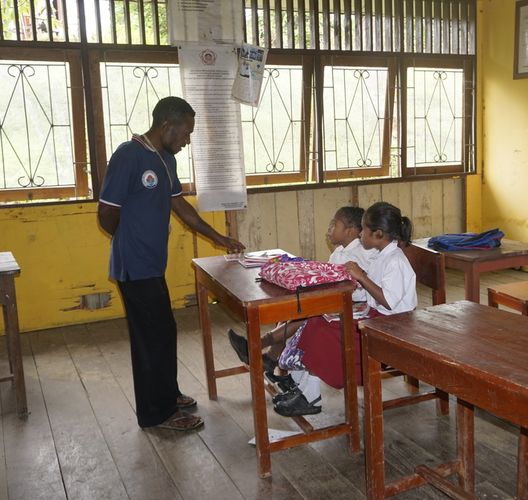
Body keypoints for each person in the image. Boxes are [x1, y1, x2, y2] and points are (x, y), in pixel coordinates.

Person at [97, 96, 245, 432]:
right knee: (151, 338)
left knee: (163, 331)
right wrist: (129, 239)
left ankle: (167, 393)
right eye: (185, 133)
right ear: (167, 125)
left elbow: (179, 205)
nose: (187, 140)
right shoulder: (128, 155)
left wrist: (217, 237)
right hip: (134, 266)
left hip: (151, 264)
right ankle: (157, 414)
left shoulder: (165, 158)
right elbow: (106, 213)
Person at [272, 201, 417, 417]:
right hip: (376, 317)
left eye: (364, 231)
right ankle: (301, 388)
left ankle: (310, 397)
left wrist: (361, 276)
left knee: (324, 333)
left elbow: (388, 301)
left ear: (378, 234)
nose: (360, 236)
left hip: (394, 326)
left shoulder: (395, 261)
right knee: (316, 321)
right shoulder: (381, 255)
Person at [228, 206, 379, 398]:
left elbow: (360, 286)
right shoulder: (340, 251)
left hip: (353, 306)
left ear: (350, 231)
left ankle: (256, 347)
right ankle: (267, 357)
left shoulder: (360, 255)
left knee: (306, 315)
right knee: (296, 311)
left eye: (335, 225)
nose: (329, 229)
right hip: (334, 300)